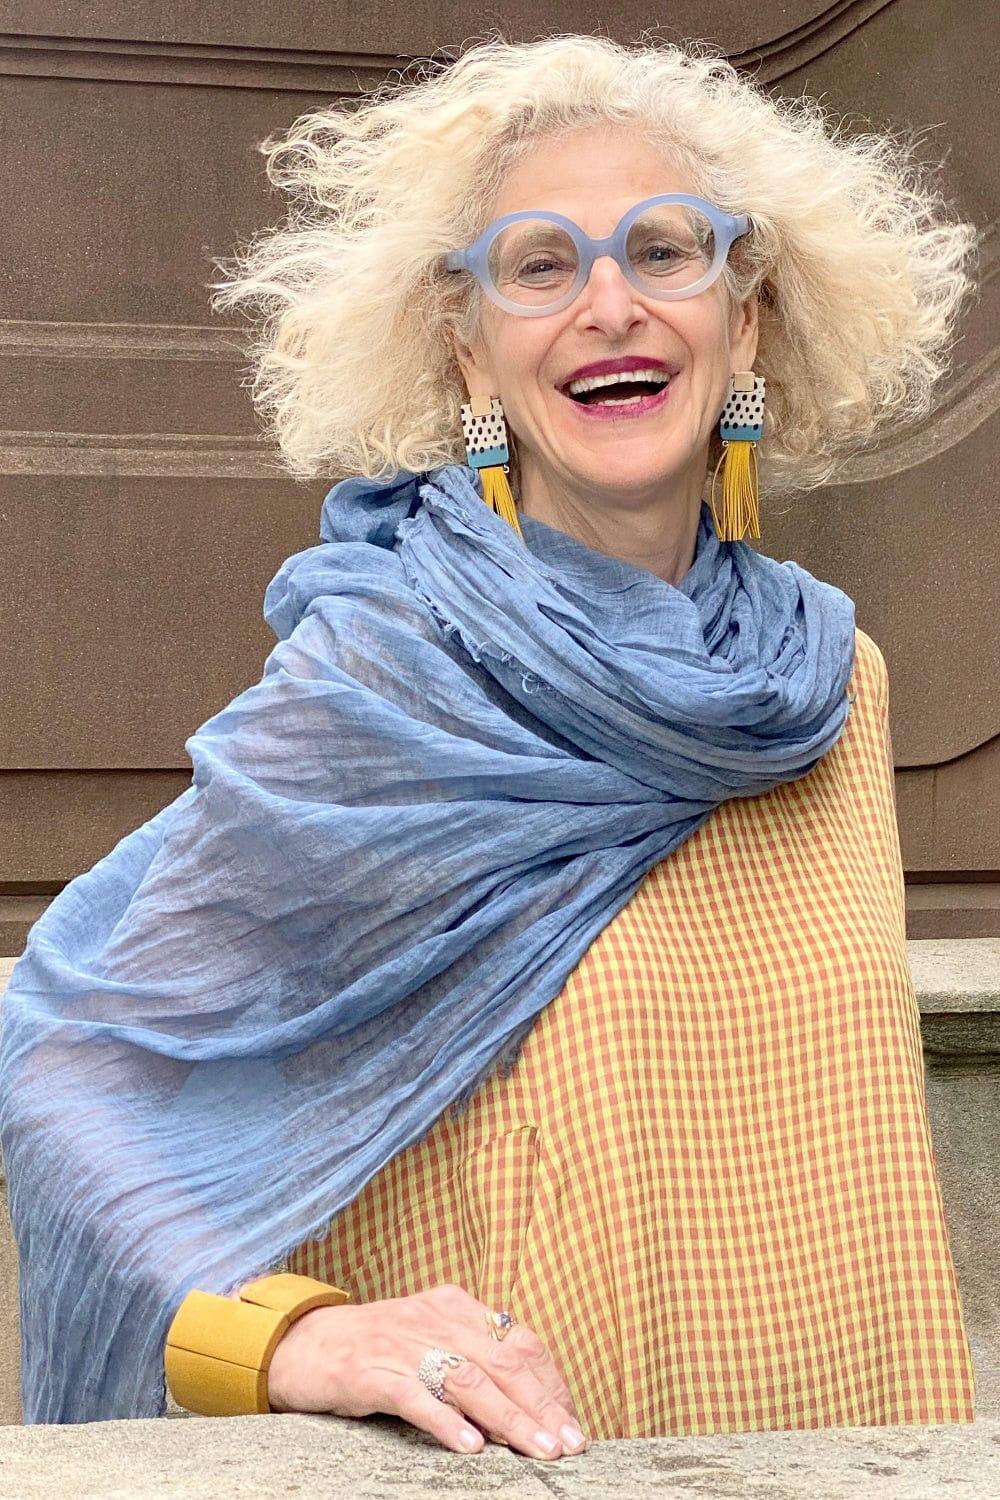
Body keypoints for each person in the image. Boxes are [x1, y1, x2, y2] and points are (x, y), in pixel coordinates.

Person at [0, 32, 979, 1456]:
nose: (609, 306)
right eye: (539, 265)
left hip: (839, 1439)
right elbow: (71, 1062)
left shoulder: (831, 684)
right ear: (467, 346)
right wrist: (290, 1332)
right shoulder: (380, 683)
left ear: (749, 322)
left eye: (664, 251)